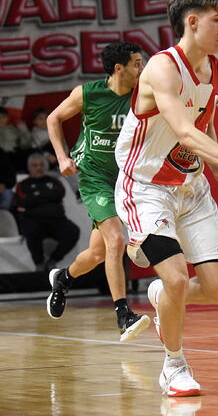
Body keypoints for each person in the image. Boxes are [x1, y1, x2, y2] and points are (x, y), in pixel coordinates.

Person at [114, 0, 218, 396]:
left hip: (191, 186)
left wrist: (216, 165)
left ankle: (161, 294)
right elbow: (184, 131)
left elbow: (201, 126)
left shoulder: (215, 71)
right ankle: (174, 365)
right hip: (146, 188)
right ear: (192, 21)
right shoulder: (162, 68)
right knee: (177, 278)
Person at [46, 41, 150, 343]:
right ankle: (123, 313)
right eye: (136, 64)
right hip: (94, 176)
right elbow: (54, 119)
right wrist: (63, 157)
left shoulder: (143, 95)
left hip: (126, 178)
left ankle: (63, 279)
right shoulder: (88, 93)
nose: (141, 69)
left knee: (97, 252)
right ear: (119, 69)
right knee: (117, 240)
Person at [14, 153, 80, 271]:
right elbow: (23, 200)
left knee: (73, 231)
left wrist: (36, 196)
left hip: (57, 220)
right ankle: (39, 263)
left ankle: (54, 260)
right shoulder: (23, 185)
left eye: (41, 165)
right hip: (34, 220)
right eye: (35, 165)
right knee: (30, 231)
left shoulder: (54, 181)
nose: (39, 168)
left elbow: (59, 193)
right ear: (29, 167)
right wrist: (47, 195)